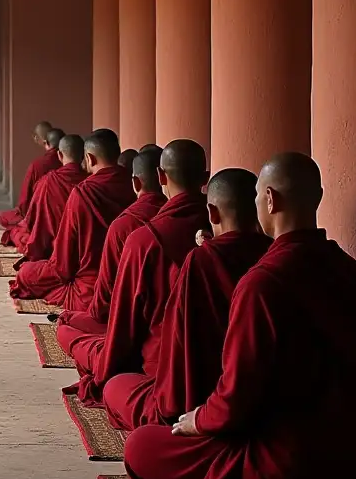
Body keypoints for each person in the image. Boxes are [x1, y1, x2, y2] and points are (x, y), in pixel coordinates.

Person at [123, 153, 356, 479]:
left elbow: (235, 399)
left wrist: (197, 419)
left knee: (141, 447)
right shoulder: (354, 273)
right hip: (353, 457)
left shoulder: (263, 282)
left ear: (269, 200)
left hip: (286, 464)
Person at [103, 168, 270, 430]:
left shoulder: (196, 260)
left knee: (114, 388)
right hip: (264, 405)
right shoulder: (272, 256)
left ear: (212, 212)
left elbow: (174, 341)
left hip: (202, 405)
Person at [59, 139, 209, 406]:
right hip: (218, 376)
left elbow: (116, 322)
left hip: (161, 370)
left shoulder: (143, 238)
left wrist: (104, 375)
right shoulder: (223, 232)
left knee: (74, 335)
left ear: (161, 177)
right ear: (205, 178)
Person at [9, 129, 136, 306]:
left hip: (90, 286)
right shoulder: (135, 185)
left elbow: (62, 267)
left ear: (89, 158)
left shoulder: (83, 192)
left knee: (26, 274)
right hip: (131, 282)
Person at [55, 146, 166, 334]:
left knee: (66, 329)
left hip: (131, 325)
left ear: (136, 183)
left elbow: (63, 266)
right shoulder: (200, 222)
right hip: (186, 330)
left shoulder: (124, 225)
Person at [5, 132, 85, 262]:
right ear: (84, 156)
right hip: (84, 251)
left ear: (59, 155)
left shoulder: (47, 181)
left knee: (16, 232)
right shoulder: (91, 181)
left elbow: (31, 216)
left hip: (54, 249)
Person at [0, 121, 59, 229]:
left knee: (4, 217)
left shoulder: (37, 165)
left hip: (41, 218)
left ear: (39, 139)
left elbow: (24, 203)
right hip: (66, 216)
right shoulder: (74, 163)